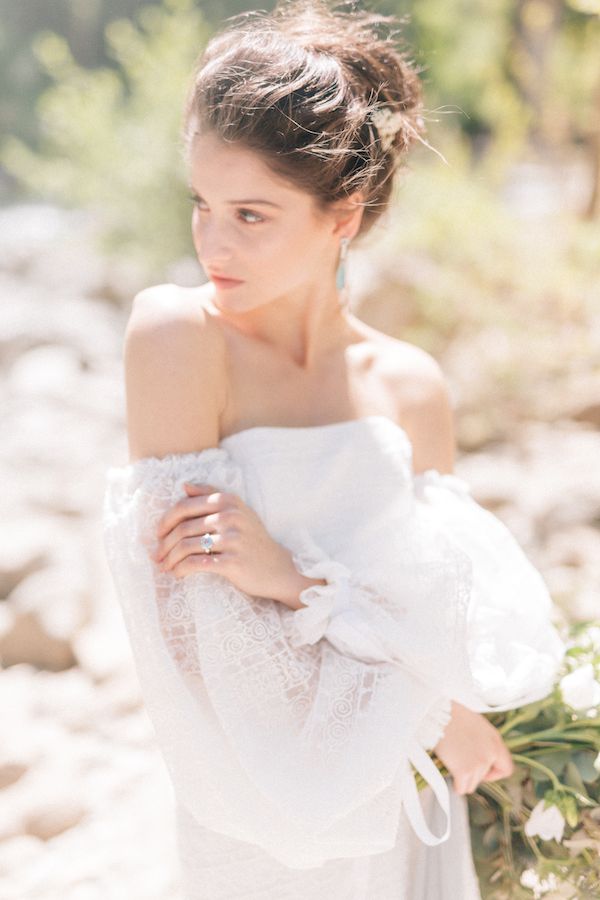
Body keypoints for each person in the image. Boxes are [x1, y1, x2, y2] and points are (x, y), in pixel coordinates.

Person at [102, 1, 566, 897]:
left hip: (404, 802)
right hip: (254, 804)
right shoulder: (176, 337)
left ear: (343, 215)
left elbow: (436, 618)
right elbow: (187, 630)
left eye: (251, 214)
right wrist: (430, 713)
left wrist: (291, 582)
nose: (211, 243)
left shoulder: (411, 387)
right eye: (201, 204)